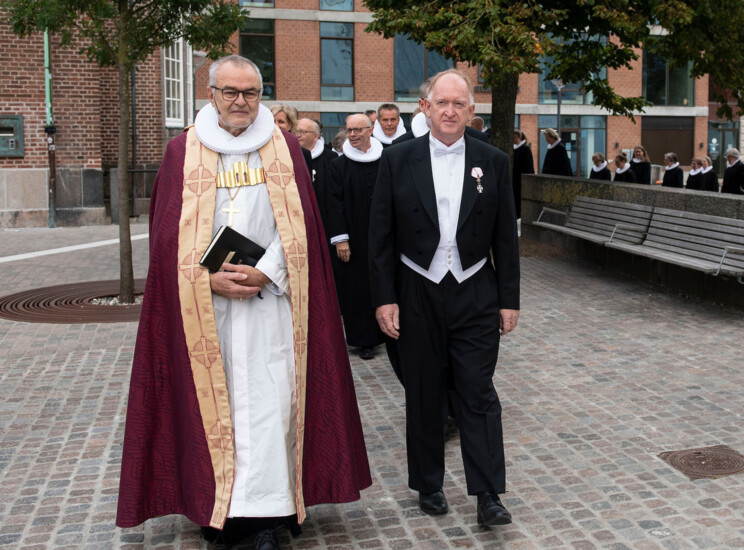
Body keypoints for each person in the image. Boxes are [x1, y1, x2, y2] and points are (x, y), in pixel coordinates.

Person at [116, 55, 371, 550]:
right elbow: (167, 236)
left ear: (261, 96)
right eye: (230, 92)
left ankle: (272, 514)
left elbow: (301, 231)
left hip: (271, 308)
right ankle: (223, 512)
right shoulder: (181, 152)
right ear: (210, 94)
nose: (240, 102)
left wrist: (267, 271)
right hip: (207, 317)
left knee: (272, 406)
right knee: (220, 409)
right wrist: (205, 278)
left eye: (250, 93)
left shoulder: (284, 152)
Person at [369, 69, 519, 527]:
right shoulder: (398, 160)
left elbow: (506, 238)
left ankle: (488, 493)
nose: (451, 111)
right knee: (424, 392)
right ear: (426, 108)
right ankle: (429, 483)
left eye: (460, 104)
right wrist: (384, 297)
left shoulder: (493, 161)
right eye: (442, 103)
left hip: (475, 289)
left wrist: (509, 299)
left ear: (471, 111)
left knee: (478, 393)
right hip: (417, 290)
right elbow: (380, 236)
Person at [321, 113, 387, 362]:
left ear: (371, 130)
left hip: (382, 236)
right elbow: (333, 203)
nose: (352, 135)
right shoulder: (338, 165)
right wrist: (341, 239)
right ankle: (364, 340)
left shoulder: (386, 159)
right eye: (349, 131)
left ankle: (387, 333)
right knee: (356, 290)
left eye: (358, 130)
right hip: (352, 239)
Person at [512, 130, 534, 218]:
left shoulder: (525, 149)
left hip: (521, 180)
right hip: (515, 179)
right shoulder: (514, 149)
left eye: (515, 138)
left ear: (520, 138)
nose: (513, 140)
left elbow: (528, 166)